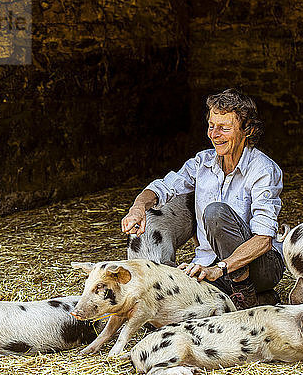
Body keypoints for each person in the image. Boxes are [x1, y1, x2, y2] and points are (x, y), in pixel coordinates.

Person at [121, 88, 284, 309]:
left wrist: (220, 269)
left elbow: (264, 240)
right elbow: (163, 187)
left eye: (224, 128)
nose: (214, 135)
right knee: (167, 302)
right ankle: (259, 300)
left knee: (215, 212)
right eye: (211, 126)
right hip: (210, 264)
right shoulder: (202, 163)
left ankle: (244, 293)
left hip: (260, 266)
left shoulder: (263, 169)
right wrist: (138, 208)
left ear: (248, 130)